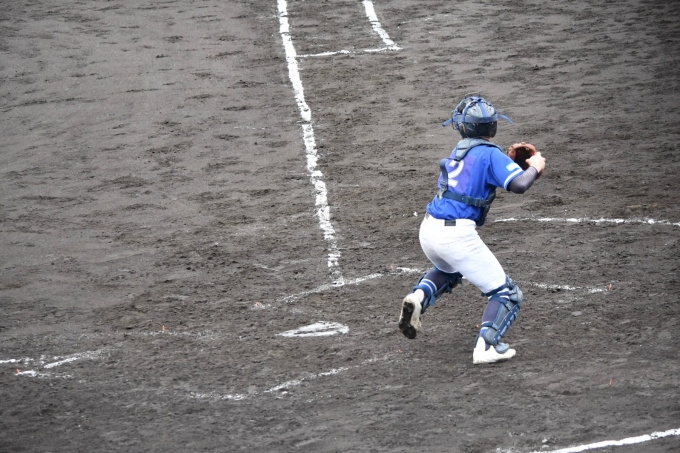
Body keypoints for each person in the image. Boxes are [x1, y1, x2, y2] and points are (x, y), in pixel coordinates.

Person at [398, 94, 546, 364]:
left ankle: (418, 297)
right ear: (493, 126)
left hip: (429, 229)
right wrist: (535, 166)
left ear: (462, 127)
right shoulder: (491, 154)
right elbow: (519, 185)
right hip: (456, 236)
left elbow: (483, 174)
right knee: (507, 294)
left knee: (449, 270)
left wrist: (507, 163)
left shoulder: (460, 150)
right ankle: (486, 347)